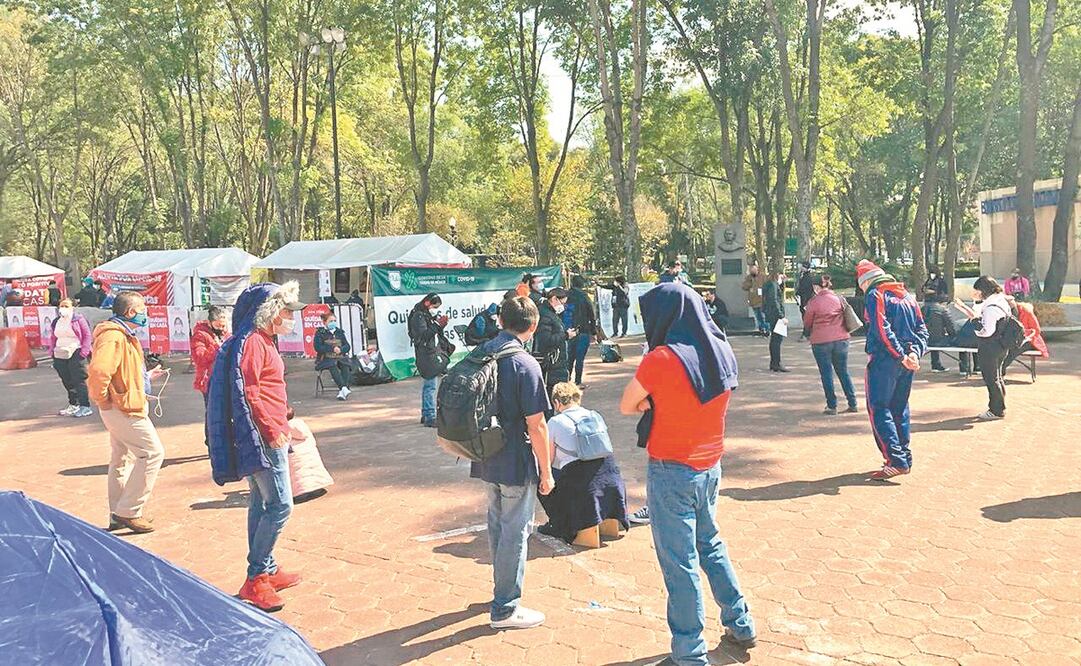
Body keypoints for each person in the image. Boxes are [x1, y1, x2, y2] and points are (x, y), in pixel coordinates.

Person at [618, 282, 755, 662]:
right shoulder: (722, 349)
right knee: (710, 545)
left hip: (671, 469)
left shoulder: (661, 358)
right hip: (710, 465)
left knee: (680, 563)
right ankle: (740, 621)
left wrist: (652, 401)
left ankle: (690, 652)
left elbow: (627, 405)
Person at [206, 281, 306, 612]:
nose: (291, 317)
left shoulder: (259, 341)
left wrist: (283, 413)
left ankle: (267, 569)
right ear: (271, 312)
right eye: (287, 311)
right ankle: (255, 578)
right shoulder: (253, 343)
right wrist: (272, 429)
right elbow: (249, 392)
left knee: (261, 504)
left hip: (267, 431)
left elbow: (262, 387)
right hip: (265, 437)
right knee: (280, 506)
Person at [469, 295, 554, 630]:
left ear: (500, 321)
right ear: (531, 328)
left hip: (484, 452)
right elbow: (538, 424)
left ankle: (500, 590)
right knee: (516, 532)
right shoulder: (525, 364)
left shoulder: (482, 353)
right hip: (515, 458)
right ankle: (505, 606)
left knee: (496, 526)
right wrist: (546, 472)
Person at [86, 291, 167, 534]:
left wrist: (145, 378)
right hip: (122, 407)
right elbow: (100, 371)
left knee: (122, 457)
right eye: (143, 310)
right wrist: (104, 399)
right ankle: (129, 511)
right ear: (131, 312)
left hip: (122, 404)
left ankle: (118, 512)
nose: (146, 314)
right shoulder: (114, 336)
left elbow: (120, 370)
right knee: (152, 453)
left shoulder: (119, 334)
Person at [856, 260, 928, 480]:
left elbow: (881, 328)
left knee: (879, 408)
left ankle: (895, 460)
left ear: (866, 281)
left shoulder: (875, 295)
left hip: (885, 360)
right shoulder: (907, 296)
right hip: (906, 361)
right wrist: (915, 353)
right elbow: (921, 329)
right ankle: (903, 457)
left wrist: (901, 355)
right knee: (900, 407)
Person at [537, 382, 628, 543]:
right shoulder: (594, 415)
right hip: (610, 471)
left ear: (557, 403)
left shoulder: (555, 422)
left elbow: (548, 459)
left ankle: (558, 524)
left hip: (581, 479)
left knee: (543, 479)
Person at [952, 276, 1012, 421]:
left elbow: (987, 331)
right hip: (1000, 345)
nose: (976, 293)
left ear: (983, 290)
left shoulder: (991, 307)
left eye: (978, 290)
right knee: (997, 377)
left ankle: (996, 410)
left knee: (991, 379)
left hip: (990, 346)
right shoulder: (1000, 301)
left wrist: (975, 324)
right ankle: (999, 407)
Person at [802, 275, 858, 414]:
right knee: (843, 371)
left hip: (821, 341)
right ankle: (852, 402)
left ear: (816, 287)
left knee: (826, 373)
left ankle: (832, 405)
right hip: (841, 339)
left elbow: (807, 322)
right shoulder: (839, 298)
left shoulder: (813, 302)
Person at [408, 293, 452, 427]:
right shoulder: (418, 316)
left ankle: (425, 413)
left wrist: (440, 325)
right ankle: (430, 416)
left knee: (429, 384)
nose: (435, 309)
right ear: (427, 303)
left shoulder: (425, 315)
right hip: (425, 355)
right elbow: (424, 335)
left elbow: (432, 332)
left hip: (430, 352)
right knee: (430, 385)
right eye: (434, 306)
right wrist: (437, 325)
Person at [46, 298, 93, 418]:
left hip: (76, 352)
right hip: (60, 353)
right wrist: (51, 351)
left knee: (79, 379)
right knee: (66, 379)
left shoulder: (79, 319)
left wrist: (84, 352)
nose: (63, 308)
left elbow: (87, 335)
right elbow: (53, 337)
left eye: (66, 306)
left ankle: (85, 406)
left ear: (72, 307)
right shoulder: (56, 321)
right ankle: (74, 404)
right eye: (61, 306)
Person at [191, 306, 228, 438]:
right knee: (213, 412)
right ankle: (211, 441)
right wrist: (215, 347)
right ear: (210, 323)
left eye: (224, 326)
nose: (222, 329)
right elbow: (200, 358)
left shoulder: (226, 334)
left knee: (225, 412)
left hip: (224, 378)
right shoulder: (200, 335)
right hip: (208, 380)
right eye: (218, 326)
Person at [286, 406, 334, 504]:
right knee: (313, 467)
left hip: (294, 457)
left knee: (296, 471)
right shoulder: (301, 424)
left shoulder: (283, 428)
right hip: (310, 453)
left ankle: (299, 492)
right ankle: (317, 487)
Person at [534, 287, 577, 393]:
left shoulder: (551, 314)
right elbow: (546, 340)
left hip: (557, 364)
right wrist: (566, 335)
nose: (563, 306)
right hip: (551, 365)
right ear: (554, 299)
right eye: (562, 303)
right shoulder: (545, 315)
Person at [564, 275, 598, 387]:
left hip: (568, 331)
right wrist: (593, 331)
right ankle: (578, 381)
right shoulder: (584, 297)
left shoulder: (566, 296)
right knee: (580, 358)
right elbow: (592, 315)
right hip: (583, 330)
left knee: (569, 357)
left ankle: (567, 380)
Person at [314, 310, 354, 401]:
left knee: (346, 364)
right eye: (330, 321)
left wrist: (341, 350)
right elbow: (318, 347)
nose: (333, 323)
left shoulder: (339, 332)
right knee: (332, 364)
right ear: (324, 322)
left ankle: (342, 392)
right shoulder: (320, 333)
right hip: (325, 358)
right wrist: (332, 349)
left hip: (339, 357)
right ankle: (344, 388)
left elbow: (347, 346)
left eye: (334, 321)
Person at [922, 297, 957, 372]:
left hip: (923, 340)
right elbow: (950, 327)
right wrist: (954, 336)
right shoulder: (943, 309)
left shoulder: (921, 309)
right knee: (961, 340)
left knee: (933, 336)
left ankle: (936, 364)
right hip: (939, 341)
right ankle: (964, 369)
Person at [763, 271, 788, 372]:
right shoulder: (773, 285)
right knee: (777, 340)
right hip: (776, 316)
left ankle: (774, 363)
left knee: (775, 339)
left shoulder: (771, 284)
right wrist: (781, 316)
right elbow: (774, 300)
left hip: (772, 315)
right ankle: (776, 363)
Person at [741, 265, 768, 335]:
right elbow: (744, 286)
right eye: (751, 270)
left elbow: (767, 285)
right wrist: (750, 282)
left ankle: (767, 330)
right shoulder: (749, 278)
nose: (753, 271)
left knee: (763, 316)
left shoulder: (762, 276)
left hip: (762, 300)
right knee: (758, 316)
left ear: (757, 270)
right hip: (753, 301)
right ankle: (761, 329)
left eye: (754, 270)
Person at [795, 261, 814, 340]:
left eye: (802, 266)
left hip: (806, 299)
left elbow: (805, 289)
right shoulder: (803, 275)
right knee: (804, 315)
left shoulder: (807, 277)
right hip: (803, 299)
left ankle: (807, 332)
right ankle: (807, 331)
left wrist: (799, 293)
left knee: (806, 316)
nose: (800, 268)